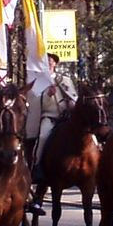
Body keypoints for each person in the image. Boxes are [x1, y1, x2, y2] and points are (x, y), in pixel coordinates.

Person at [26, 54, 78, 213]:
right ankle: (37, 167)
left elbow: (73, 97)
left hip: (66, 118)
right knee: (42, 137)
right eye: (46, 61)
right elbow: (34, 102)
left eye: (51, 61)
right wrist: (47, 96)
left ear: (55, 64)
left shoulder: (64, 80)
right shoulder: (38, 82)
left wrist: (72, 103)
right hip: (50, 117)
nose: (49, 64)